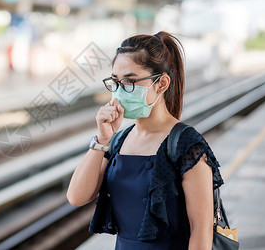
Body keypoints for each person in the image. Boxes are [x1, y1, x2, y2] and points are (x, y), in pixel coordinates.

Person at [66, 32, 224, 249]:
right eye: (115, 82)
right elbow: (76, 197)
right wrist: (102, 140)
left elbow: (201, 230)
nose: (120, 91)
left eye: (130, 81)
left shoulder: (185, 144)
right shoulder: (118, 141)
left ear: (161, 84)